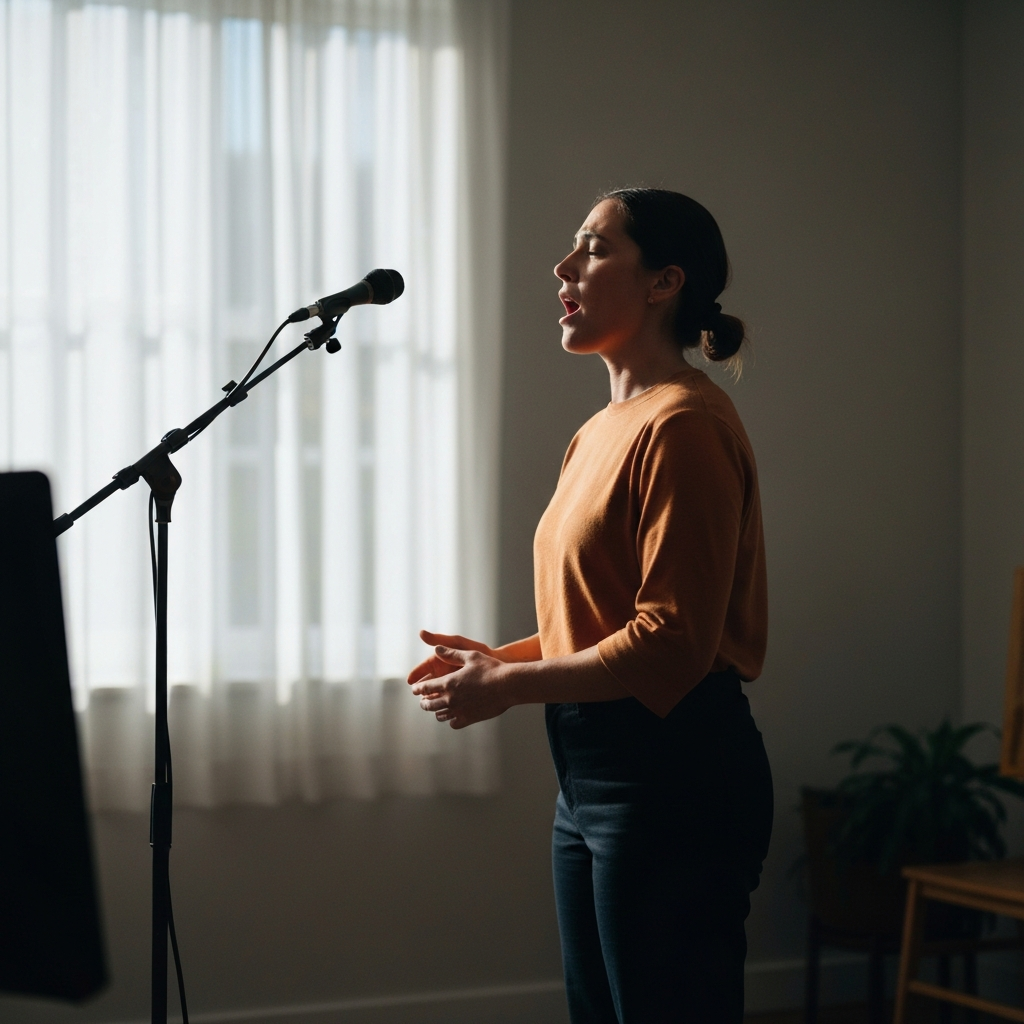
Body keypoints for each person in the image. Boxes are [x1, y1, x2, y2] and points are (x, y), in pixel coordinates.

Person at [407, 188, 773, 1023]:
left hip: (675, 774)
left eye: (594, 248)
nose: (564, 269)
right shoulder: (600, 429)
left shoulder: (683, 425)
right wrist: (505, 661)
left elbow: (672, 645)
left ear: (663, 282)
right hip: (592, 774)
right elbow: (607, 621)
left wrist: (506, 687)